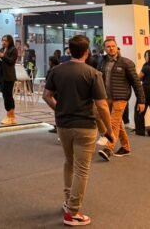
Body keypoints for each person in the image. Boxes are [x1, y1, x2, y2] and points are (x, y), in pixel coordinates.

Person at [42, 34, 114, 227]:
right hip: (85, 127)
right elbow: (102, 106)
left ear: (70, 50)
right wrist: (108, 130)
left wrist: (59, 109)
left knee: (69, 162)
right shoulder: (93, 73)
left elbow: (46, 95)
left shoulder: (56, 70)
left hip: (63, 125)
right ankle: (73, 212)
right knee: (82, 169)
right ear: (86, 52)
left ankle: (68, 201)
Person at [97, 39, 145, 160]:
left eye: (113, 46)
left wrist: (141, 101)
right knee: (118, 123)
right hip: (106, 97)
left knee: (113, 122)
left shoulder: (126, 63)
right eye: (108, 46)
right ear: (104, 49)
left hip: (121, 97)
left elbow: (136, 83)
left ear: (117, 47)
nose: (111, 48)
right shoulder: (101, 62)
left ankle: (108, 148)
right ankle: (126, 147)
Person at [0, 35, 18, 125]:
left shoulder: (13, 50)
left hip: (9, 76)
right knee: (4, 95)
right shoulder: (1, 49)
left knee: (8, 95)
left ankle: (10, 115)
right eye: (2, 40)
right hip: (1, 76)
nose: (3, 42)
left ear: (10, 41)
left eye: (5, 40)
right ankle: (10, 115)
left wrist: (3, 56)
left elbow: (11, 61)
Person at [136, 50, 150, 136]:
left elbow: (138, 78)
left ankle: (140, 131)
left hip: (146, 89)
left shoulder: (146, 67)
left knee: (140, 110)